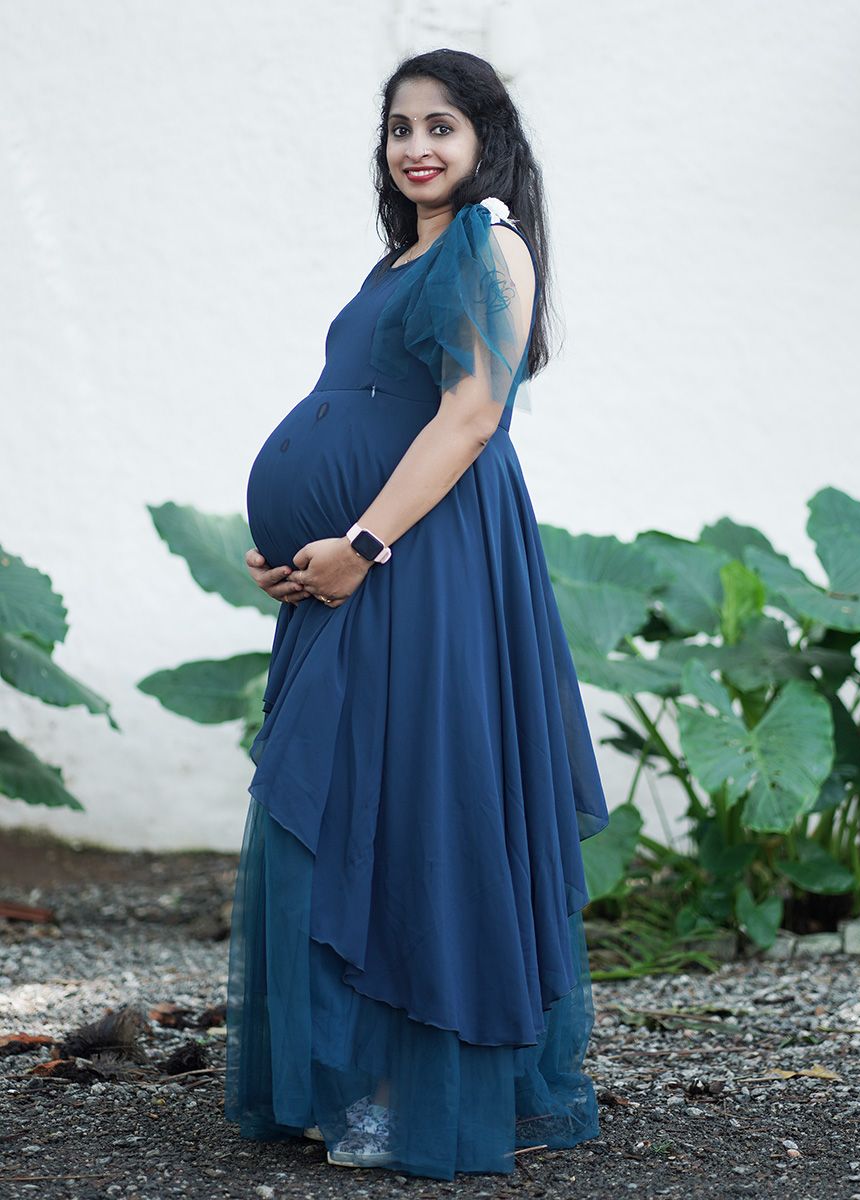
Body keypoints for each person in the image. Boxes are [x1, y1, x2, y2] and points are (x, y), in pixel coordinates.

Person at [224, 47, 610, 1182]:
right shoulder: (402, 256)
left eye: (441, 124)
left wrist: (362, 542)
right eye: (400, 128)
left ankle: (410, 1089)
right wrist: (300, 545)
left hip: (423, 559)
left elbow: (471, 415)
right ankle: (344, 1074)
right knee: (337, 803)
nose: (417, 146)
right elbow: (360, 405)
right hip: (353, 564)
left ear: (486, 136)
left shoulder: (492, 241)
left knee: (413, 804)